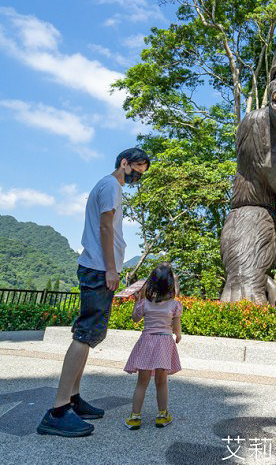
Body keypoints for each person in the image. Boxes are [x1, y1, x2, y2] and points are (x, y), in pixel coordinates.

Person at [37, 147, 150, 437]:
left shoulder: (108, 186)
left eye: (142, 173)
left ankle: (73, 399)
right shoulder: (111, 185)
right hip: (99, 269)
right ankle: (58, 410)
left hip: (99, 267)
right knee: (86, 334)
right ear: (123, 163)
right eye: (136, 169)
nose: (137, 176)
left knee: (90, 335)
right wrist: (111, 269)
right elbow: (105, 227)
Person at [123, 263, 183, 430]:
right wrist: (177, 336)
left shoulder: (145, 304)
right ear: (171, 284)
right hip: (164, 343)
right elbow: (176, 326)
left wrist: (138, 300)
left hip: (147, 342)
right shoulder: (174, 305)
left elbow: (135, 319)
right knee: (161, 381)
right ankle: (162, 415)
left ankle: (135, 417)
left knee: (142, 382)